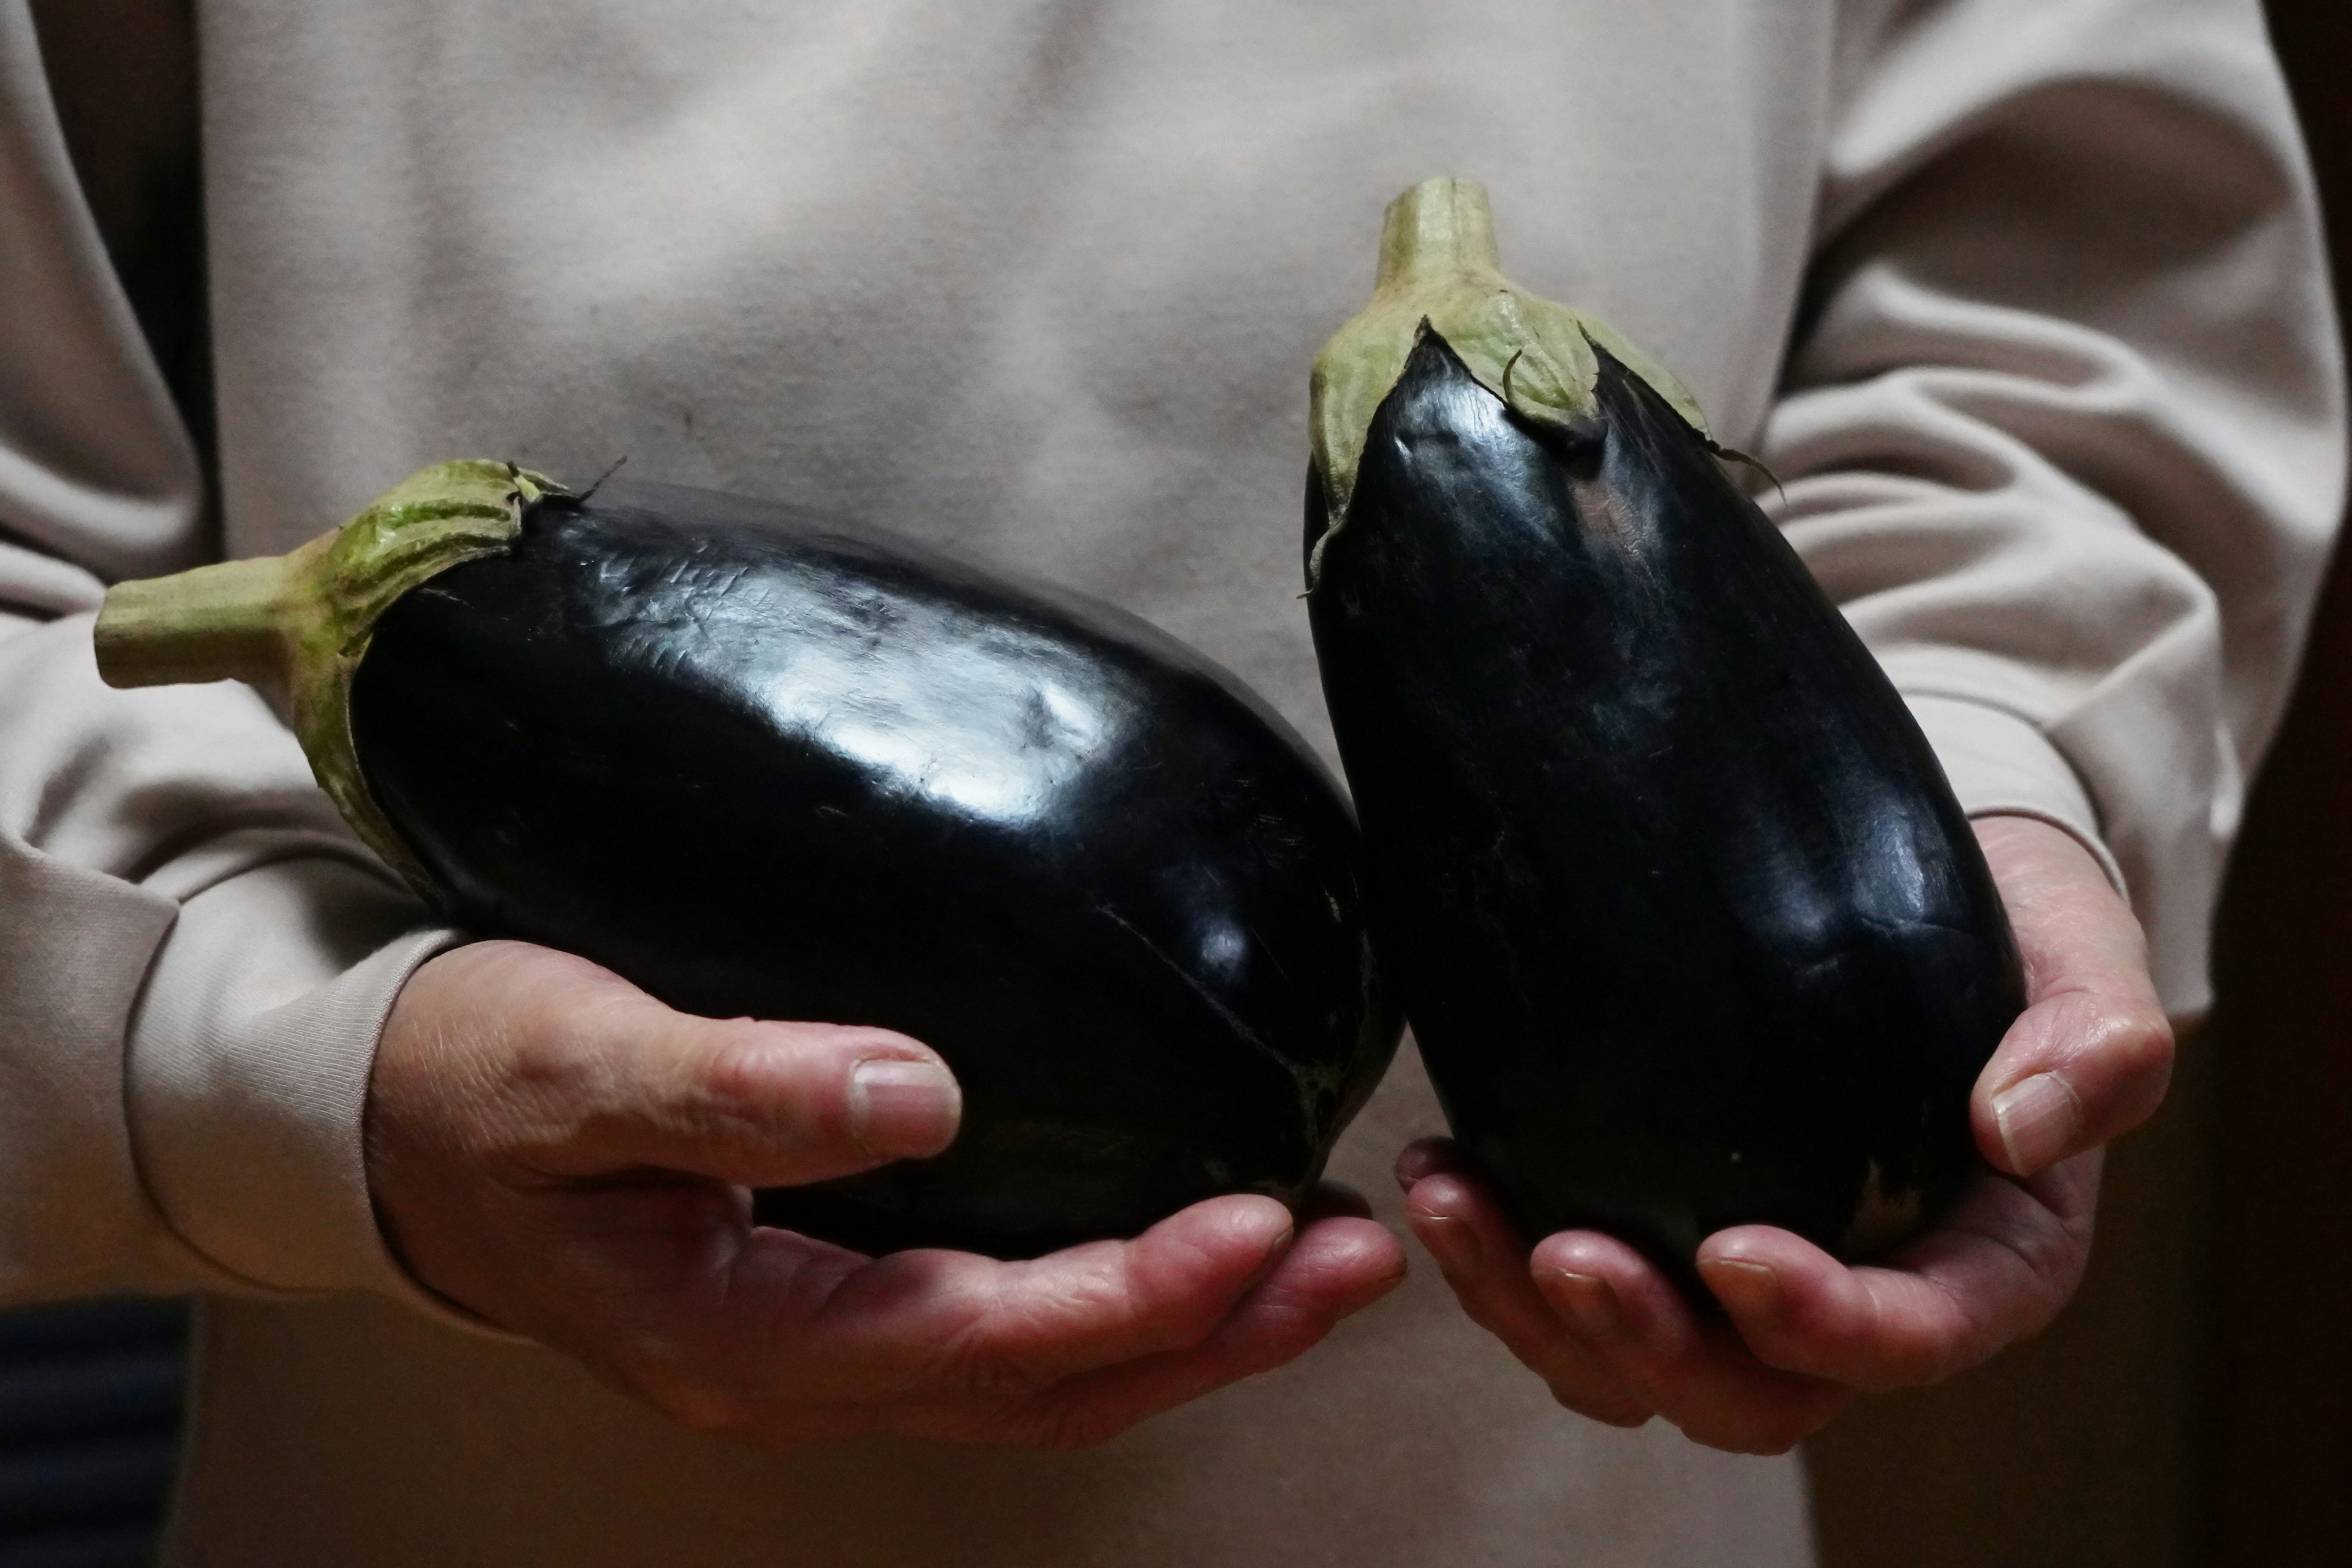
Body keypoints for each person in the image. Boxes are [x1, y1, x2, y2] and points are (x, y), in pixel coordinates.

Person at [0, 0, 2340, 1562]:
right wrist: (266, 1059)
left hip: (1578, 1458)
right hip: (488, 1460)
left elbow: (2060, 281)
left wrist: (1990, 771)